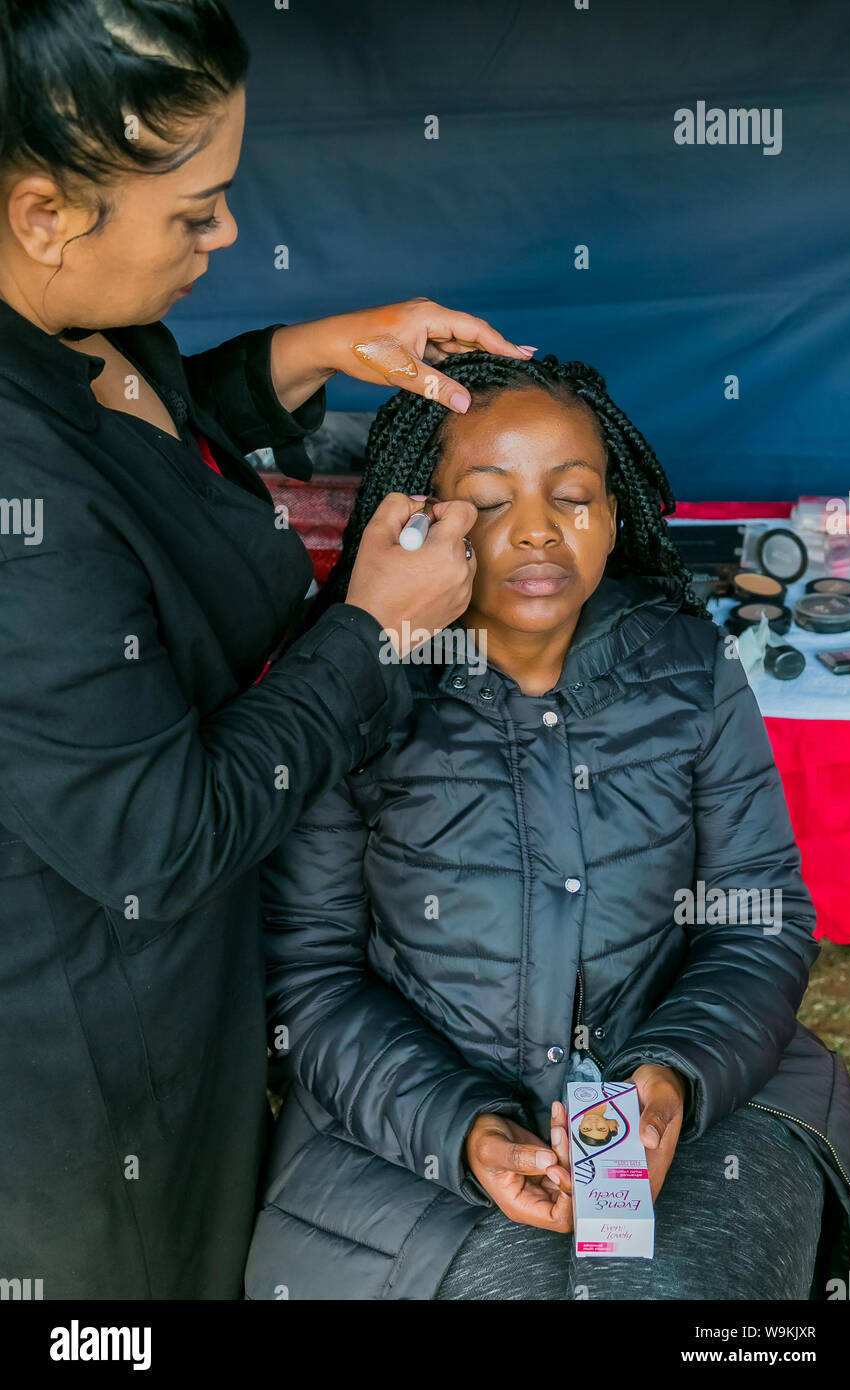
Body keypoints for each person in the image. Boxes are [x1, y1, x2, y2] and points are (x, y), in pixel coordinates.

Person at [0, 0, 534, 1298]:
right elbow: (163, 834)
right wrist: (373, 629)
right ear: (41, 216)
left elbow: (147, 441)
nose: (229, 235)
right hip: (83, 1047)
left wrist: (303, 354)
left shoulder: (78, 326)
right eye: (194, 212)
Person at [245, 349, 850, 1301]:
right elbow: (312, 971)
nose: (538, 530)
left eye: (573, 495)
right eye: (491, 502)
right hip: (405, 1128)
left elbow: (759, 912)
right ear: (420, 519)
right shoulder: (351, 690)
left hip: (696, 1105)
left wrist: (673, 1081)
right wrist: (467, 1130)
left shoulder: (689, 665)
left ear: (616, 517)